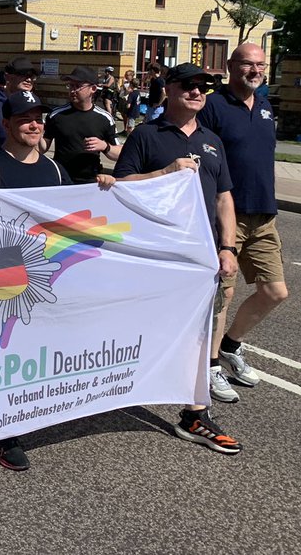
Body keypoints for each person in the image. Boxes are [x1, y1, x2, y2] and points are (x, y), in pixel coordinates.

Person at [0, 88, 115, 469]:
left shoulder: (55, 170)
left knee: (37, 350)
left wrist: (104, 190)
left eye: (38, 119)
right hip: (5, 276)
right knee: (2, 354)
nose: (34, 125)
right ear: (6, 124)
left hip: (46, 274)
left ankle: (30, 408)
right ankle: (1, 432)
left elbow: (74, 219)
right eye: (25, 119)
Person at [112, 63, 241, 455]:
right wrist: (166, 171)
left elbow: (224, 197)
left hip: (200, 258)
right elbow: (121, 186)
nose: (197, 92)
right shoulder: (146, 135)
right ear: (168, 89)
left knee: (197, 336)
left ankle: (195, 414)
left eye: (204, 87)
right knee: (141, 329)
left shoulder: (212, 140)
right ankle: (103, 387)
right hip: (157, 255)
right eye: (189, 85)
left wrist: (228, 247)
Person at [198, 43, 286, 402]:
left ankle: (231, 345)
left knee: (275, 291)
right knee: (224, 294)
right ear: (231, 66)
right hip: (227, 216)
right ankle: (209, 366)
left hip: (263, 214)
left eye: (261, 65)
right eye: (248, 64)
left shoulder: (264, 106)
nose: (255, 70)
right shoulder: (213, 106)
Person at [42, 66, 122, 183]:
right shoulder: (56, 115)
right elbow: (43, 146)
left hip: (91, 182)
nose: (72, 90)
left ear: (93, 89)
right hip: (60, 180)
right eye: (70, 86)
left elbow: (120, 154)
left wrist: (105, 146)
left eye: (78, 86)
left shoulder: (105, 118)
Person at [120, 69, 141, 134]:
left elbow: (128, 106)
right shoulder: (138, 92)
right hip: (136, 110)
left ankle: (131, 135)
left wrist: (127, 102)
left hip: (132, 111)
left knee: (130, 126)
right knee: (131, 124)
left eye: (127, 75)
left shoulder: (131, 93)